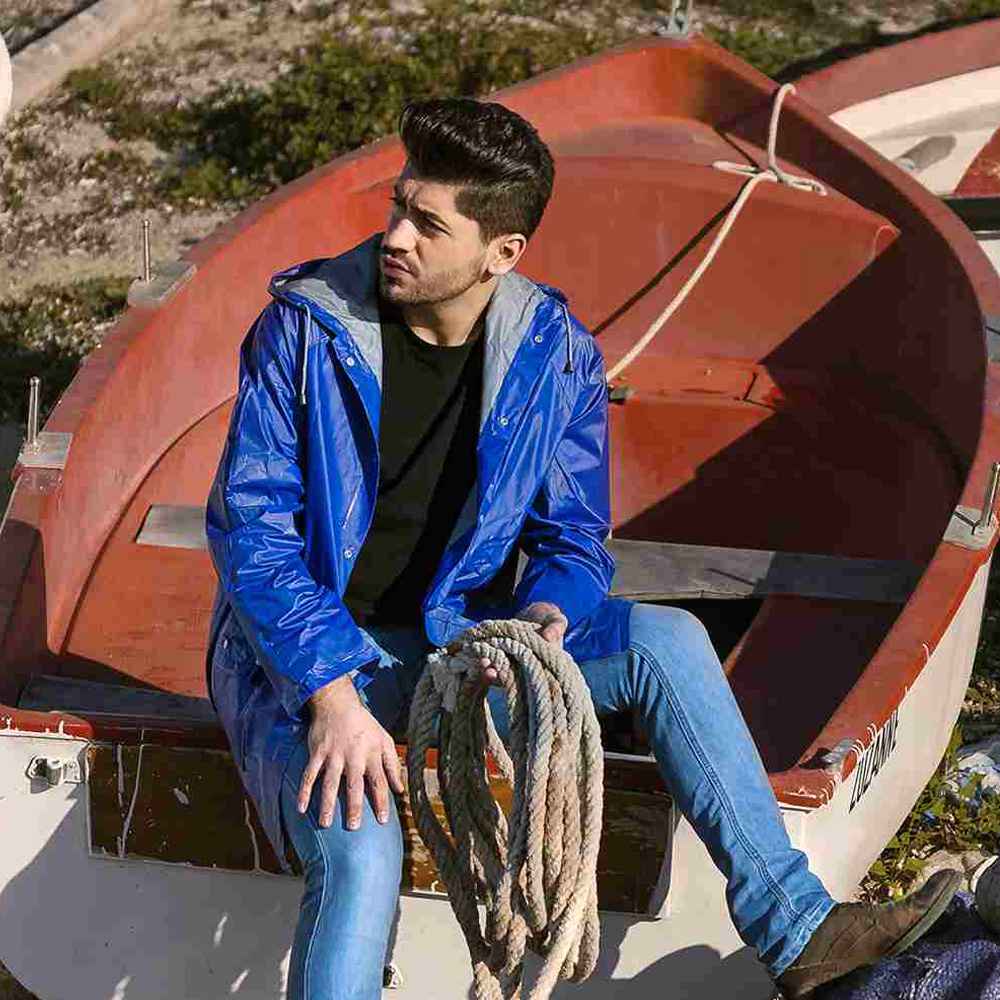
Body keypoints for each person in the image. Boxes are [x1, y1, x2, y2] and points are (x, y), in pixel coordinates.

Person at [204, 97, 959, 1000]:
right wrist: (329, 694)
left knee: (665, 640)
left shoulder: (555, 354)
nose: (395, 236)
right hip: (306, 659)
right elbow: (252, 530)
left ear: (502, 252)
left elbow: (573, 537)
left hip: (463, 650)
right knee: (362, 844)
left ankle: (798, 930)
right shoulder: (304, 329)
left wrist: (547, 619)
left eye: (428, 225)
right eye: (398, 206)